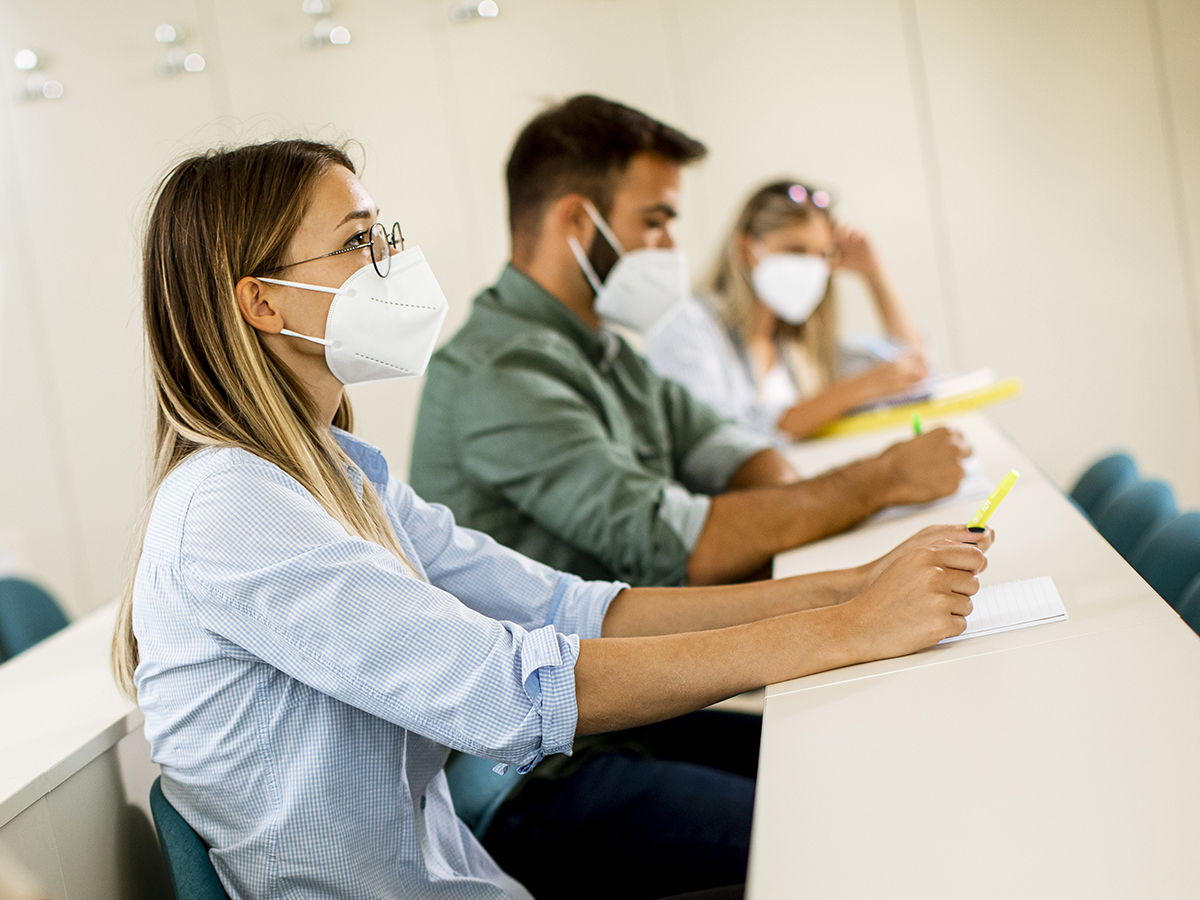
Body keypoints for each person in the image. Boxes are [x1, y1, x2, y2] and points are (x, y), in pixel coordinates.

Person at [111, 138, 992, 900]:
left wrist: (850, 587)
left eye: (386, 234)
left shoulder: (338, 473)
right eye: (357, 242)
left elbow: (569, 609)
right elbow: (512, 690)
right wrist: (845, 629)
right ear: (261, 303)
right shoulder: (230, 507)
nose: (389, 260)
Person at [411, 94, 971, 591]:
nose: (671, 245)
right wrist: (882, 479)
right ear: (578, 222)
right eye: (656, 222)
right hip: (582, 699)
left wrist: (790, 500)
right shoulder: (501, 373)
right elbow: (678, 547)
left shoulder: (607, 351)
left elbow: (737, 449)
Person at [645, 180, 929, 441]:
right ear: (746, 249)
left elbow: (911, 371)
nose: (810, 267)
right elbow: (716, 438)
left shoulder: (797, 344)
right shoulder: (688, 324)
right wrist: (850, 392)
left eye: (822, 255)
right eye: (795, 250)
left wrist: (875, 273)